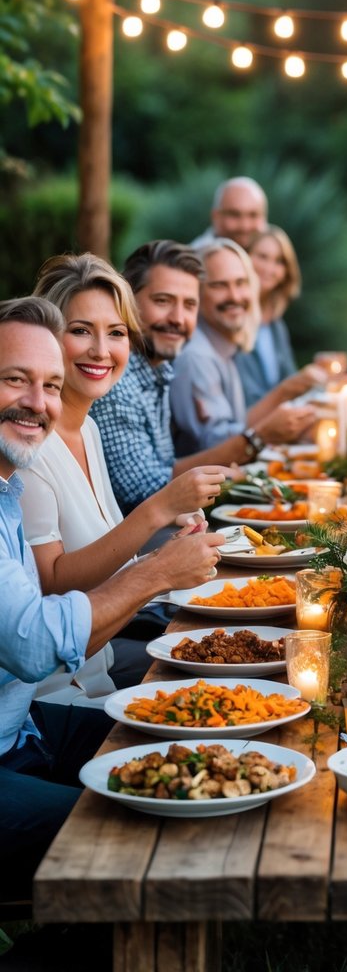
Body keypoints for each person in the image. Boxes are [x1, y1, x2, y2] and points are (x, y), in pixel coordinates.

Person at [0, 296, 222, 893]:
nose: (38, 402)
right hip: (17, 733)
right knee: (136, 828)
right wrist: (154, 575)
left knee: (193, 746)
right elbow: (33, 645)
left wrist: (156, 567)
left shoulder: (7, 488)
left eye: (49, 385)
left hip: (22, 725)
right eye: (14, 380)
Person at [18, 253, 227, 694]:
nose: (101, 350)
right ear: (47, 341)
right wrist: (157, 511)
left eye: (116, 333)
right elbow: (51, 583)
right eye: (80, 331)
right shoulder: (29, 448)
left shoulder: (88, 428)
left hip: (101, 665)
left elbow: (106, 558)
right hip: (56, 695)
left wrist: (165, 556)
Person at [92, 240, 304, 514]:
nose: (178, 318)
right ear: (128, 300)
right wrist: (255, 440)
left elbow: (166, 473)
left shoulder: (160, 370)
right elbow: (146, 493)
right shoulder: (117, 383)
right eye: (163, 301)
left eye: (189, 304)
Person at [169, 238, 317, 455]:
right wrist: (269, 430)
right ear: (196, 293)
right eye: (219, 285)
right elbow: (214, 445)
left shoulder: (225, 347)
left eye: (241, 283)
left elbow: (236, 425)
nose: (235, 296)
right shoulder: (196, 356)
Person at [236, 225, 302, 405]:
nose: (269, 268)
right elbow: (246, 396)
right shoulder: (234, 320)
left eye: (279, 261)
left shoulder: (276, 325)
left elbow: (290, 378)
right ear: (246, 257)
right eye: (262, 257)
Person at [191, 176, 268, 251]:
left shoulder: (276, 251)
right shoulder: (196, 259)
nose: (245, 226)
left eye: (253, 215)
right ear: (215, 217)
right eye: (235, 215)